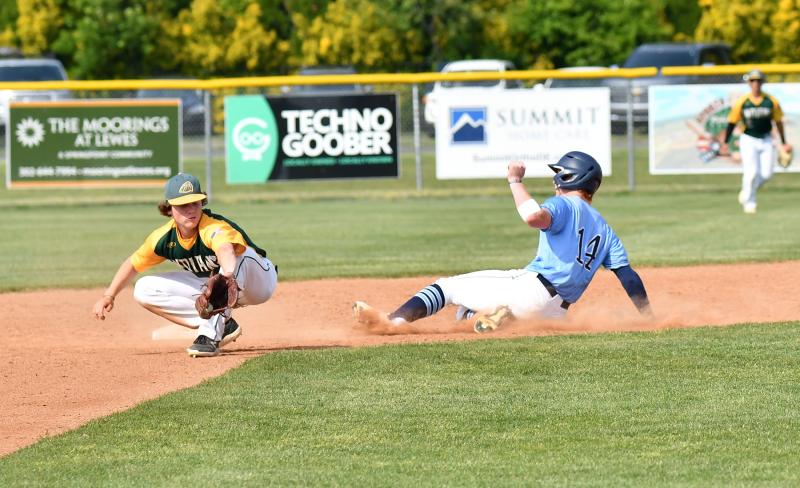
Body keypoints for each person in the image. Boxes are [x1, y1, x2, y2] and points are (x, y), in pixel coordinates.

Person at [353, 151, 652, 333]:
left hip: (532, 288)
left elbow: (533, 217)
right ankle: (501, 316)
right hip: (556, 313)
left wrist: (515, 181)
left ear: (570, 178)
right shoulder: (606, 230)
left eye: (558, 175)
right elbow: (628, 277)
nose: (555, 182)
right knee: (467, 316)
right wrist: (648, 316)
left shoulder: (564, 205)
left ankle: (392, 322)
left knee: (447, 286)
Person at [91, 173, 278, 357]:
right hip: (219, 288)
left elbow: (225, 250)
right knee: (143, 288)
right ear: (169, 207)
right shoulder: (163, 238)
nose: (191, 210)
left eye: (195, 203)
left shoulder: (211, 227)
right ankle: (223, 322)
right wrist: (109, 295)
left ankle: (209, 336)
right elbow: (133, 264)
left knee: (238, 256)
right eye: (183, 205)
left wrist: (226, 275)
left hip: (258, 281)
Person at [721, 69, 792, 214]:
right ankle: (750, 203)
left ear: (763, 82)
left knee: (766, 175)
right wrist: (725, 141)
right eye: (753, 81)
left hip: (766, 138)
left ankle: (746, 191)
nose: (756, 84)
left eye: (758, 80)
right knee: (751, 172)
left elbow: (778, 122)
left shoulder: (771, 101)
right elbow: (732, 122)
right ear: (749, 83)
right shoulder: (743, 101)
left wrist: (784, 141)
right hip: (748, 139)